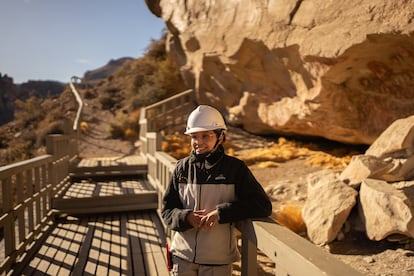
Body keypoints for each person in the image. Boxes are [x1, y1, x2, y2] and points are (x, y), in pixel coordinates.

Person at [162, 105, 272, 276]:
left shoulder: (236, 169)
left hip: (217, 263)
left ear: (221, 137)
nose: (198, 142)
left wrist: (220, 213)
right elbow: (167, 210)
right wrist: (186, 217)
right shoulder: (181, 168)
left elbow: (262, 205)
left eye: (206, 135)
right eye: (194, 136)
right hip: (181, 258)